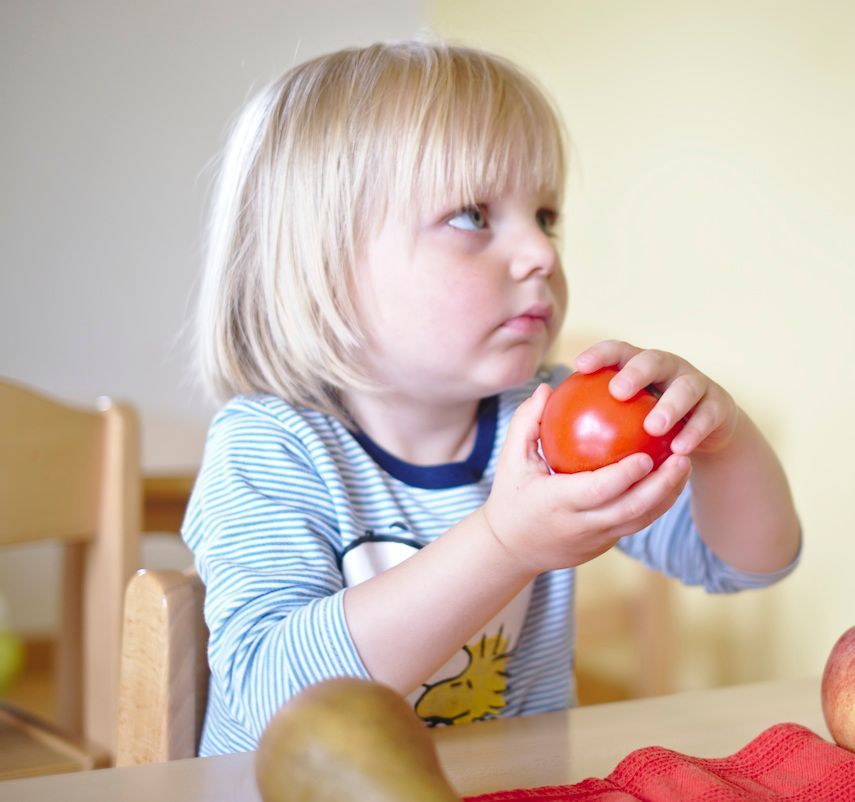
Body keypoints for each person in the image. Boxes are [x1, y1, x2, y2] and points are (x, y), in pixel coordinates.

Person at [184, 39, 802, 757]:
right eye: (473, 216)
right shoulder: (270, 447)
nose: (542, 254)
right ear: (323, 265)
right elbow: (271, 700)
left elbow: (749, 562)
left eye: (546, 216)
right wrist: (505, 545)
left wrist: (726, 442)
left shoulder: (545, 418)